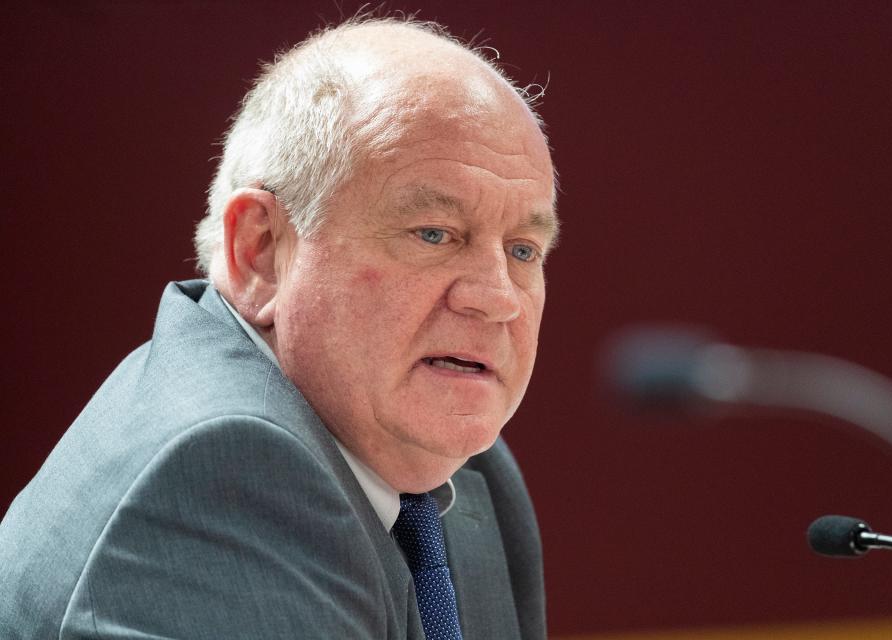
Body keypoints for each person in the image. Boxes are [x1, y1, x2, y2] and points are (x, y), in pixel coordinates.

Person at [0, 15, 558, 640]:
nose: (497, 298)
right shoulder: (221, 471)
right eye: (433, 233)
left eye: (522, 250)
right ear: (260, 251)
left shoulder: (462, 471)